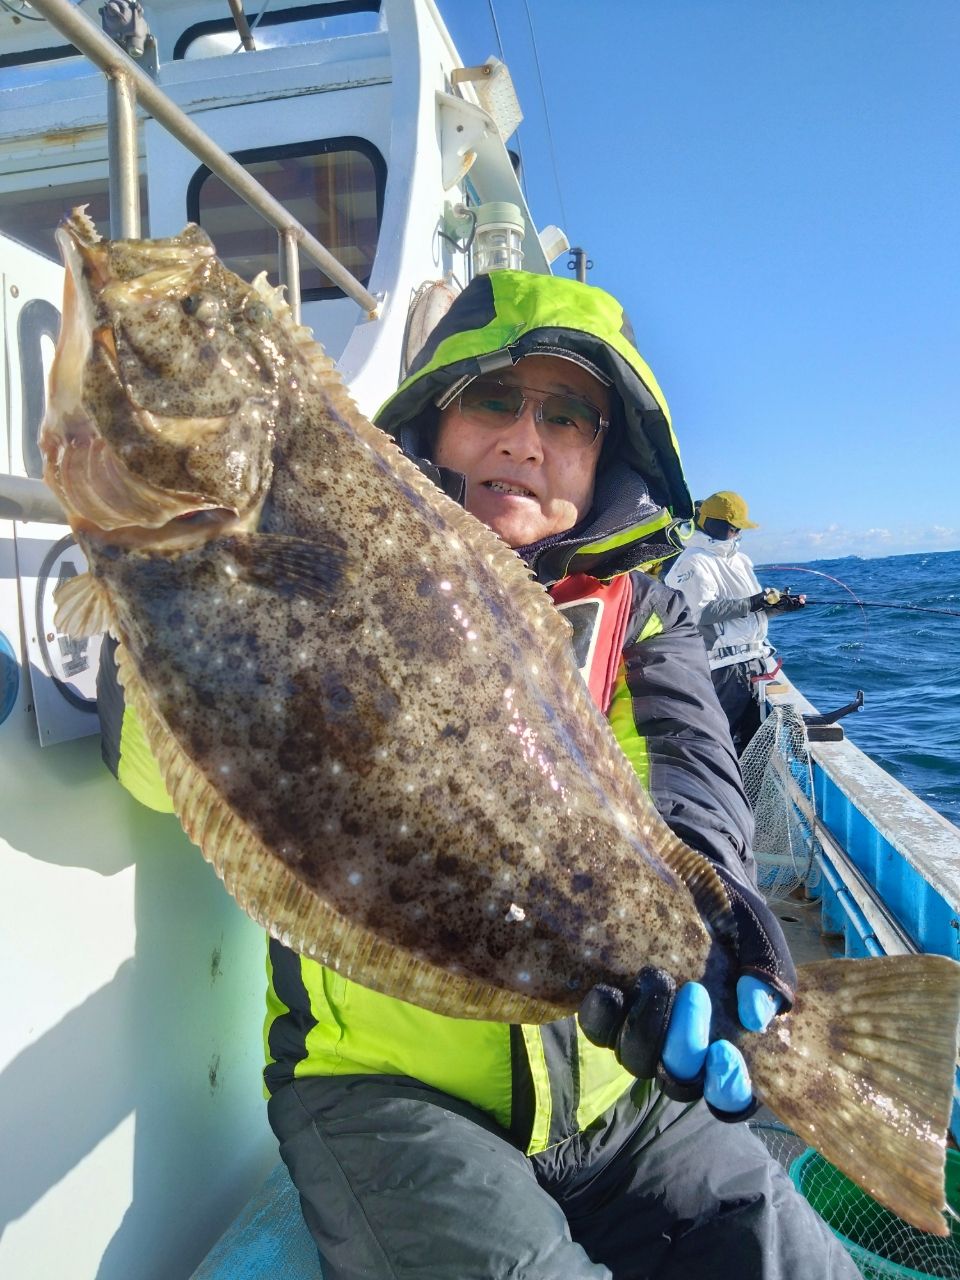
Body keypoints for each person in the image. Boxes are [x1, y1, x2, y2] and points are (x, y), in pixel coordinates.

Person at [98, 271, 857, 1279]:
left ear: (605, 451)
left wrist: (720, 925)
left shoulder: (640, 613)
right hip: (384, 1095)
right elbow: (165, 779)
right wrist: (180, 608)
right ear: (436, 416)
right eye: (494, 398)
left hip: (616, 1094)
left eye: (568, 414)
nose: (524, 438)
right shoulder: (311, 560)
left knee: (790, 1256)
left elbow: (688, 771)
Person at [665, 491, 806, 755]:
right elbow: (699, 613)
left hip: (755, 664)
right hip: (721, 671)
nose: (738, 534)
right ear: (716, 526)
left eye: (739, 529)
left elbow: (750, 611)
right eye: (733, 528)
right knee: (721, 750)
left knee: (755, 749)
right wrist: (754, 602)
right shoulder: (693, 561)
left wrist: (779, 607)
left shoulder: (740, 560)